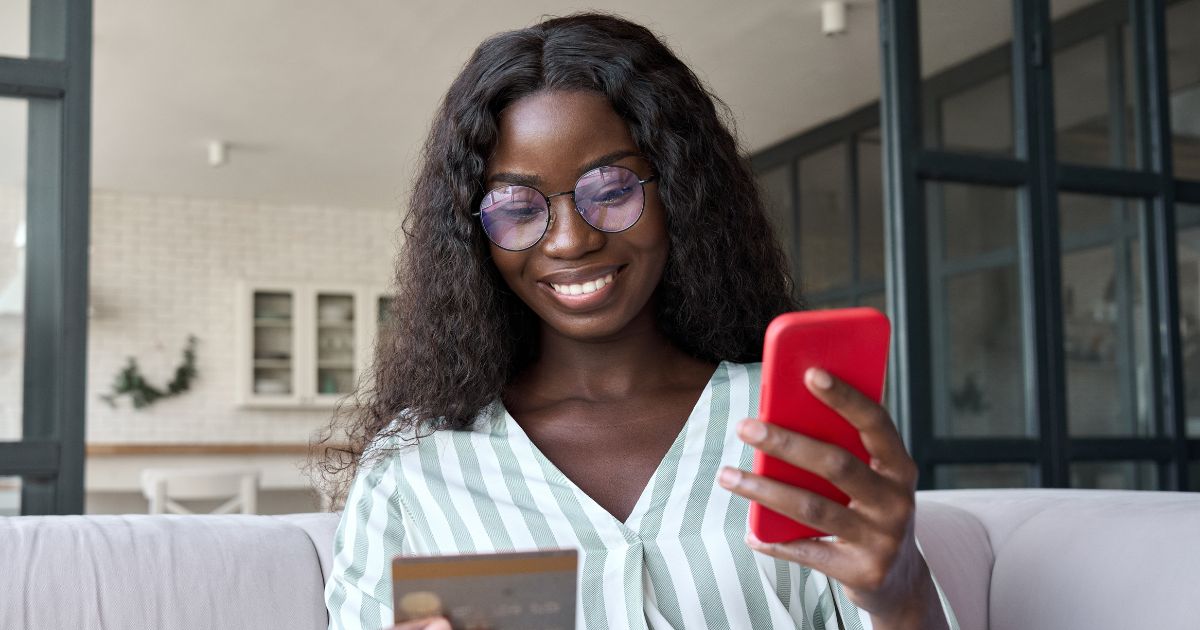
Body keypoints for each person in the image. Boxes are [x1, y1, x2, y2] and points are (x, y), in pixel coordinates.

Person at [319, 12, 958, 630]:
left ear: (679, 191)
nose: (569, 241)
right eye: (517, 206)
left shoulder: (788, 422)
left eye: (613, 190)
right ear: (472, 233)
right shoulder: (417, 465)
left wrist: (901, 597)